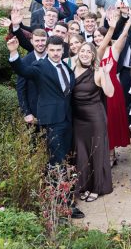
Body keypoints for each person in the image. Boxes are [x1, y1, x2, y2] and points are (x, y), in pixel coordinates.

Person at [7, 35, 83, 219]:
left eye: (59, 50)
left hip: (66, 119)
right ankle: (63, 204)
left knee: (64, 159)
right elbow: (23, 71)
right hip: (52, 120)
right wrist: (14, 52)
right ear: (47, 50)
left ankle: (60, 197)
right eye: (53, 50)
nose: (56, 53)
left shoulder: (65, 66)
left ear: (63, 51)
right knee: (56, 161)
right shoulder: (40, 67)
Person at [72, 42, 115, 202]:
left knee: (97, 152)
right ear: (77, 52)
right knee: (82, 154)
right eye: (82, 51)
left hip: (95, 118)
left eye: (88, 52)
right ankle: (84, 186)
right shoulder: (72, 69)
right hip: (77, 118)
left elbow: (110, 93)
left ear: (93, 55)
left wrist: (106, 73)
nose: (84, 54)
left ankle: (98, 187)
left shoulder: (98, 71)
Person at [99, 10, 131, 165]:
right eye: (96, 37)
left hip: (113, 89)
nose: (98, 39)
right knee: (102, 121)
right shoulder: (94, 53)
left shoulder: (113, 50)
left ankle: (111, 153)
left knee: (111, 121)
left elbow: (124, 35)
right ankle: (103, 151)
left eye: (101, 36)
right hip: (98, 90)